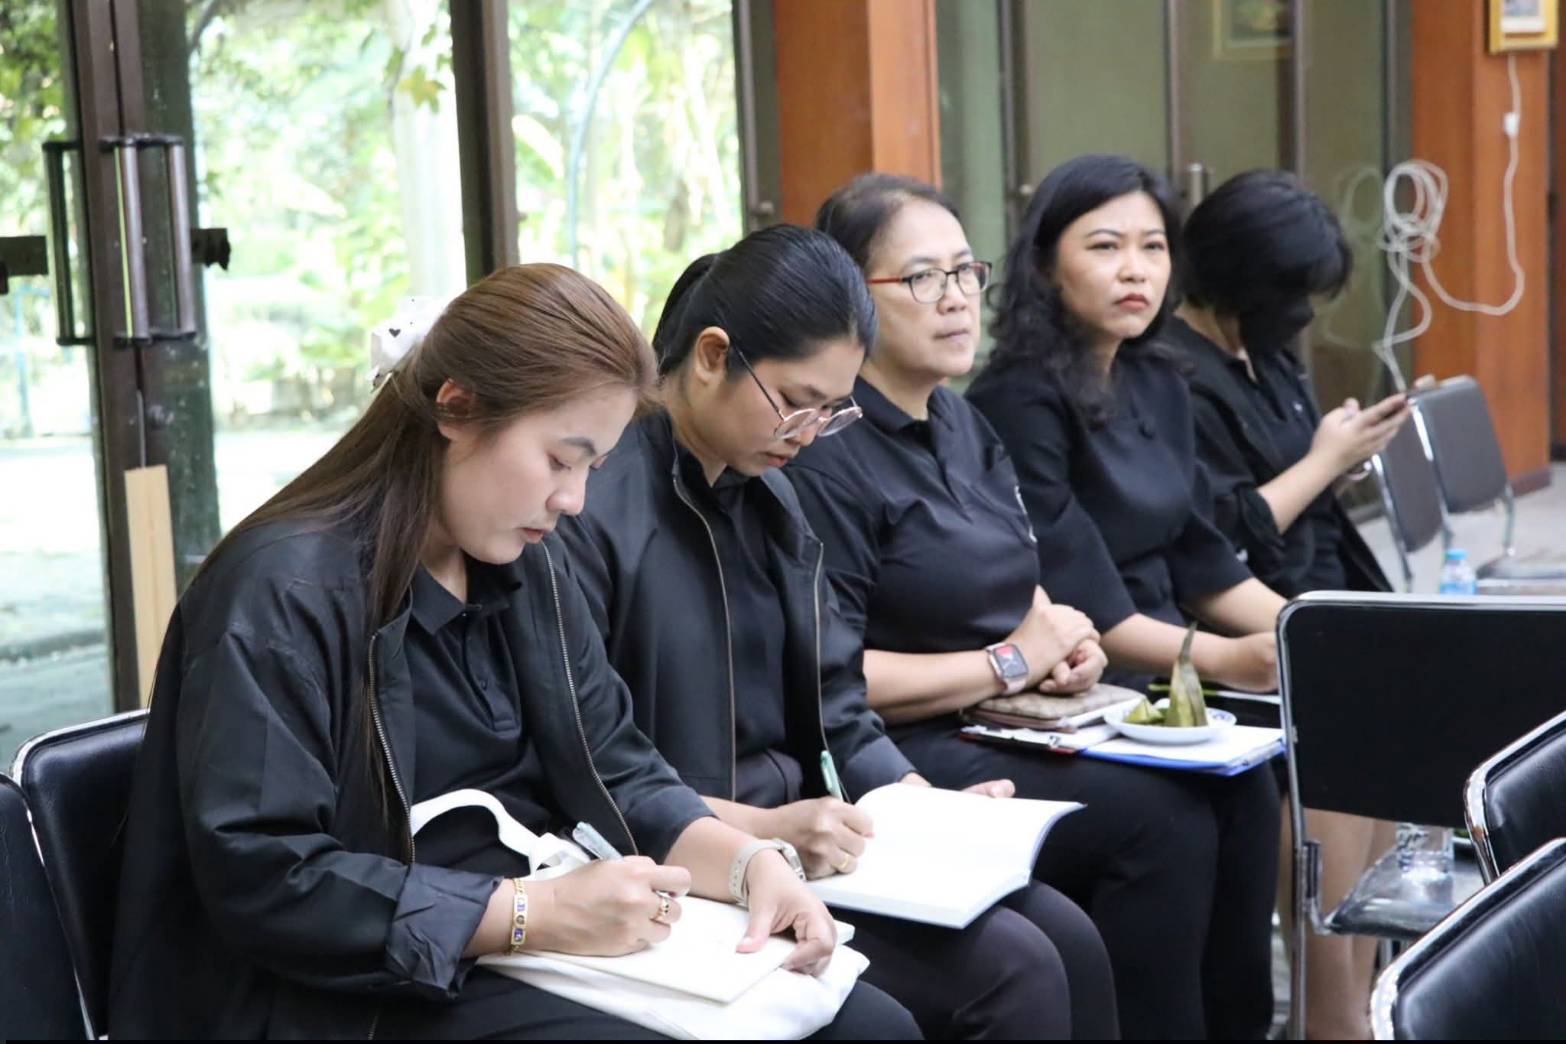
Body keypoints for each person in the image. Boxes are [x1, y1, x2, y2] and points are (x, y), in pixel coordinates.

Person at [108, 263, 918, 1040]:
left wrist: (750, 866)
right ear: (455, 408)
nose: (572, 500)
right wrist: (534, 915)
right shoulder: (282, 590)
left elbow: (620, 767)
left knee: (871, 1024)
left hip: (511, 944)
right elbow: (267, 876)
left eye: (594, 468)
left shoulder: (528, 568)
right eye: (560, 460)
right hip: (337, 991)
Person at [557, 224, 1119, 1040]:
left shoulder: (775, 501)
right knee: (1012, 973)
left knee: (1069, 937)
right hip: (694, 857)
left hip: (811, 842)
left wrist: (924, 808)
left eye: (833, 409)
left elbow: (836, 703)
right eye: (794, 402)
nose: (809, 433)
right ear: (712, 356)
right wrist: (764, 833)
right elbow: (589, 763)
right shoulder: (592, 511)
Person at [790, 171, 1275, 1039]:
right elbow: (830, 677)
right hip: (899, 750)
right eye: (920, 279)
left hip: (1012, 715)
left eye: (963, 274)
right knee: (1161, 824)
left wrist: (1069, 642)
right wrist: (1013, 659)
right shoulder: (830, 452)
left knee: (1239, 792)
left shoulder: (958, 421)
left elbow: (1025, 577)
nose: (954, 301)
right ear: (847, 300)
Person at [965, 155, 1287, 1038]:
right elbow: (1083, 597)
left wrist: (1300, 631)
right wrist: (1227, 659)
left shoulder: (1159, 378)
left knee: (1260, 793)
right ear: (1042, 265)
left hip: (1172, 660)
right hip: (1092, 664)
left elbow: (1199, 550)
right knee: (1199, 809)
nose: (1136, 268)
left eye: (1152, 246)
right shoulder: (1015, 399)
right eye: (1105, 246)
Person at [1173, 169, 1408, 1040]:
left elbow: (1292, 495)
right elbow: (1219, 539)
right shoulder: (1179, 376)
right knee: (1339, 755)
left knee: (1382, 752)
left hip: (1320, 602)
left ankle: (1363, 999)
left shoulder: (1266, 353)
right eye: (1292, 293)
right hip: (1255, 623)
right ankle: (1332, 1017)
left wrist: (1335, 462)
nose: (1303, 316)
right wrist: (1322, 460)